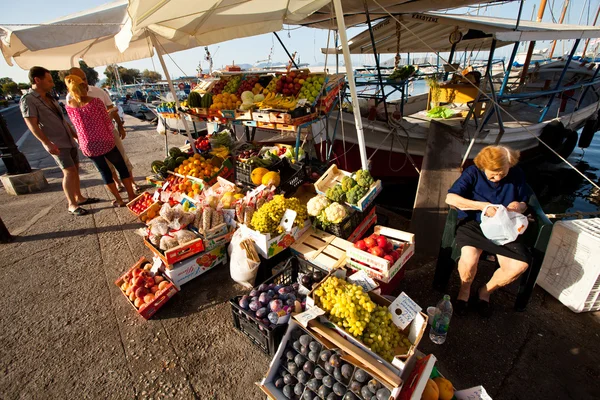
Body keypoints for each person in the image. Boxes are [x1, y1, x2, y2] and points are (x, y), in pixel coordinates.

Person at [445, 145, 531, 317]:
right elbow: (450, 198)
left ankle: (485, 291)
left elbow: (524, 201)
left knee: (519, 265)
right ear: (483, 166)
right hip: (474, 224)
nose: (497, 177)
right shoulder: (473, 172)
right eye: (493, 173)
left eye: (502, 173)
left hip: (503, 227)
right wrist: (483, 206)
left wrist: (518, 206)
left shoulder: (517, 173)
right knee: (469, 261)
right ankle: (465, 290)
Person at [20, 66, 98, 216]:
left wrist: (75, 135)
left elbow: (61, 119)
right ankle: (72, 204)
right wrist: (46, 143)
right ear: (37, 80)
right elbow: (32, 124)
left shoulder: (49, 97)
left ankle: (79, 197)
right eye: (49, 80)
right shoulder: (28, 100)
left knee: (75, 170)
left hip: (67, 139)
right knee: (68, 172)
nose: (52, 83)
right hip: (56, 142)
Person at [63, 75, 135, 206]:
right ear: (84, 86)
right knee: (121, 167)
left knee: (104, 172)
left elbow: (75, 124)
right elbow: (106, 121)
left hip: (88, 145)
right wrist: (112, 112)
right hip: (104, 140)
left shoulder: (69, 107)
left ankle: (119, 200)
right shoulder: (95, 102)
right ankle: (131, 196)